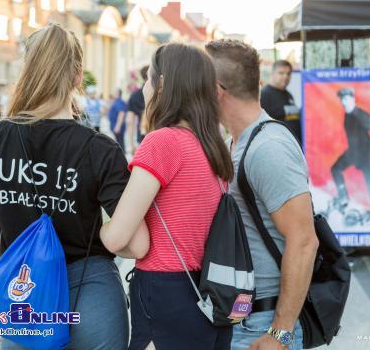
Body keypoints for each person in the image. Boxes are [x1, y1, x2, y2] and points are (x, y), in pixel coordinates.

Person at [0, 24, 145, 350]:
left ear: (28, 70)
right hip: (89, 286)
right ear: (77, 77)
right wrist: (105, 237)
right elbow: (133, 242)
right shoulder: (99, 147)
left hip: (24, 288)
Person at [100, 43, 234, 350]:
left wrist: (99, 228)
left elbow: (118, 238)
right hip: (210, 292)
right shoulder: (214, 146)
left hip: (166, 292)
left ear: (162, 84)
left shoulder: (162, 142)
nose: (144, 88)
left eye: (148, 78)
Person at [205, 39, 318, 350]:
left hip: (262, 327)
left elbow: (304, 241)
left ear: (216, 90)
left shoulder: (268, 148)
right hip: (241, 321)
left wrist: (280, 333)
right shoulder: (236, 142)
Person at [331, 87, 370, 223]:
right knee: (335, 168)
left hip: (365, 155)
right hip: (353, 153)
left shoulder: (360, 115)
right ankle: (343, 198)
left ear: (352, 99)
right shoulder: (347, 115)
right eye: (342, 99)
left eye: (346, 98)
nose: (344, 102)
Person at [260, 60, 302, 144]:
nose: (285, 76)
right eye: (281, 73)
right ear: (272, 74)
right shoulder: (264, 95)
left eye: (288, 73)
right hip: (279, 147)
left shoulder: (288, 94)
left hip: (295, 146)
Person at [126, 65, 149, 154]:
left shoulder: (134, 96)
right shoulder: (161, 93)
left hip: (143, 136)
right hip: (161, 136)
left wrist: (132, 145)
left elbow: (130, 121)